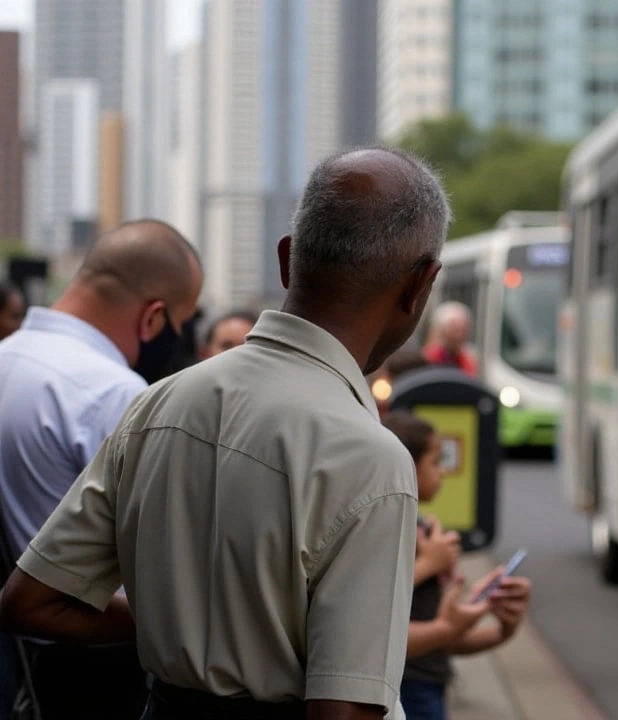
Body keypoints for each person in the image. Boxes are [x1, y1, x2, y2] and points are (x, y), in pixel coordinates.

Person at [0, 147, 476, 720]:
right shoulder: (371, 459)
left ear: (287, 258)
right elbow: (344, 710)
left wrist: (163, 624)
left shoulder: (156, 404)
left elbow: (31, 601)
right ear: (420, 286)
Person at [0, 219, 202, 720]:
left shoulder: (8, 356)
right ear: (154, 319)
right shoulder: (113, 393)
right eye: (182, 321)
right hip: (81, 671)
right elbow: (162, 567)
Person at [381, 411, 532, 720]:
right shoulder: (391, 529)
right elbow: (374, 611)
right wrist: (428, 563)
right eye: (435, 462)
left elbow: (443, 639)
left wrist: (498, 626)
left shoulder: (422, 529)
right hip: (406, 689)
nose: (443, 473)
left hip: (430, 683)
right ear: (406, 467)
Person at [421, 302, 477, 376]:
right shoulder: (428, 358)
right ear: (441, 330)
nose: (458, 335)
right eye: (454, 328)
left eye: (463, 329)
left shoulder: (468, 361)